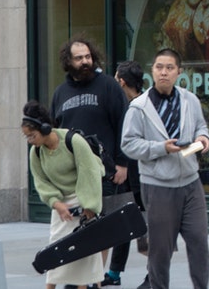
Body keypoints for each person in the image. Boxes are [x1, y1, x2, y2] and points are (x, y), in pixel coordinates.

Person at [121, 48, 209, 289]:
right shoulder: (139, 107)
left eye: (169, 68)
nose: (164, 73)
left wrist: (203, 139)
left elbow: (202, 127)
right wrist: (161, 147)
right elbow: (128, 145)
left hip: (191, 184)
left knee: (199, 244)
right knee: (160, 252)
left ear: (179, 72)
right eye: (159, 67)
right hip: (158, 185)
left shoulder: (190, 100)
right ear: (152, 70)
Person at [50, 36, 131, 281]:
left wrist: (122, 162)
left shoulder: (108, 86)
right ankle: (75, 279)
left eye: (88, 56)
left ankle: (93, 280)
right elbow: (54, 132)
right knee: (71, 229)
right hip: (69, 176)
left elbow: (124, 124)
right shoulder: (60, 93)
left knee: (101, 230)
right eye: (79, 58)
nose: (85, 61)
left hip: (103, 172)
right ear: (68, 61)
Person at [22, 100, 106, 289]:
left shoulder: (73, 141)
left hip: (82, 195)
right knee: (56, 249)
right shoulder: (36, 153)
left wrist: (90, 206)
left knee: (84, 252)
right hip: (61, 201)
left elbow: (90, 172)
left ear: (44, 128)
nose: (29, 140)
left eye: (31, 135)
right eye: (26, 137)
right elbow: (41, 181)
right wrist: (55, 202)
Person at [109, 61, 149, 289]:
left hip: (142, 177)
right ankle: (114, 273)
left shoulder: (141, 106)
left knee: (149, 228)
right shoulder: (126, 104)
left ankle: (152, 275)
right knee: (122, 223)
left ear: (121, 81)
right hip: (129, 177)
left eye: (116, 78)